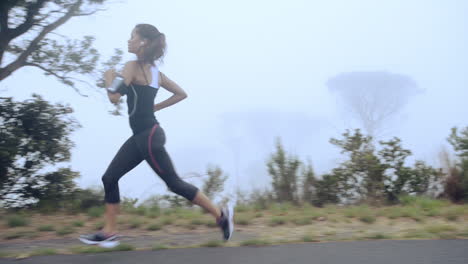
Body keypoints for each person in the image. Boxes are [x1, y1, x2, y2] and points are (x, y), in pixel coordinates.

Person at [79, 24, 234, 247]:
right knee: (110, 178)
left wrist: (109, 77)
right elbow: (181, 94)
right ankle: (109, 232)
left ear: (142, 42)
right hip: (145, 135)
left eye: (132, 36)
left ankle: (221, 216)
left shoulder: (131, 66)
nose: (128, 40)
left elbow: (114, 97)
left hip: (148, 137)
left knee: (174, 183)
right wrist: (155, 107)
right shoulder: (156, 74)